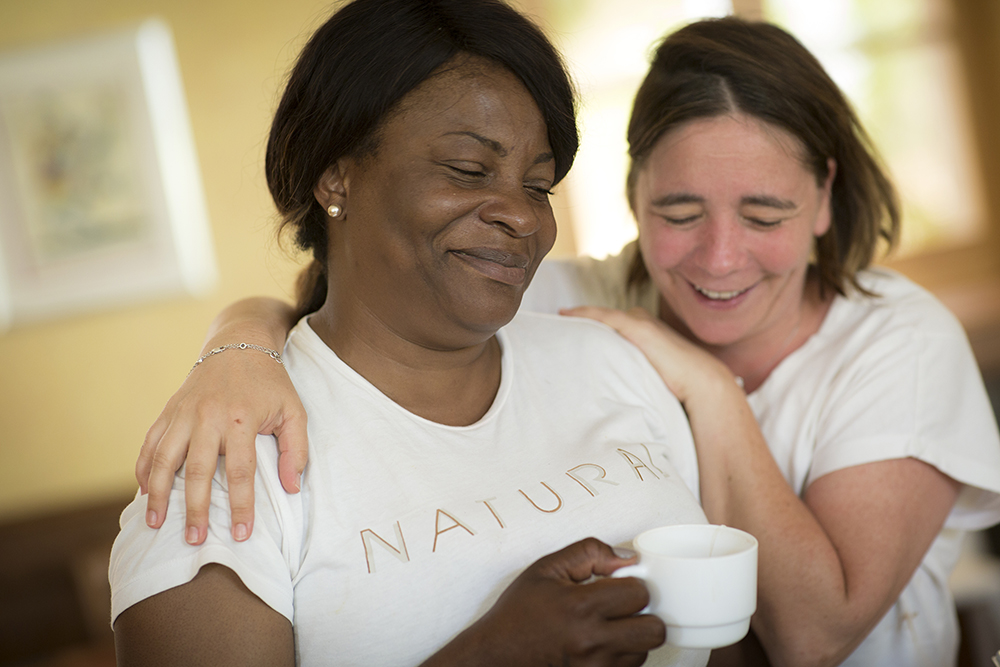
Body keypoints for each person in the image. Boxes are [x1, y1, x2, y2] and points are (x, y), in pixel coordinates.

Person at [135, 13, 1000, 667]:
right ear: (634, 197)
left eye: (538, 182)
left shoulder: (622, 352)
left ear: (822, 198)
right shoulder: (570, 305)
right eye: (679, 210)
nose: (721, 255)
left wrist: (704, 386)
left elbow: (803, 636)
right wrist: (236, 347)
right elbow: (337, 300)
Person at [110, 1, 712, 665]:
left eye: (538, 184)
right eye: (466, 169)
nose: (520, 214)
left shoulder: (609, 360)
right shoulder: (229, 462)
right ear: (336, 178)